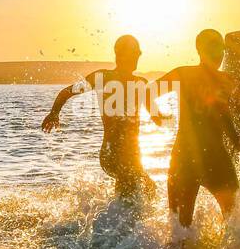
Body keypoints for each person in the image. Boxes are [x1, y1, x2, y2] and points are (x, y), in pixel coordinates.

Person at [152, 29, 240, 232]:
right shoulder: (205, 77)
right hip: (204, 158)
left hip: (192, 158)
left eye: (221, 49)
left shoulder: (192, 75)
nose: (218, 54)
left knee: (234, 226)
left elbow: (223, 114)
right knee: (183, 230)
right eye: (212, 47)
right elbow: (150, 92)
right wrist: (156, 114)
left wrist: (237, 142)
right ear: (199, 49)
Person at [41, 34, 162, 198]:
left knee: (148, 192)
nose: (137, 57)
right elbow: (67, 92)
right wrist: (54, 113)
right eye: (134, 53)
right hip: (115, 153)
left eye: (137, 53)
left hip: (128, 155)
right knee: (134, 194)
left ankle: (109, 218)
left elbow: (157, 117)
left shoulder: (140, 82)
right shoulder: (104, 77)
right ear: (119, 55)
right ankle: (111, 220)